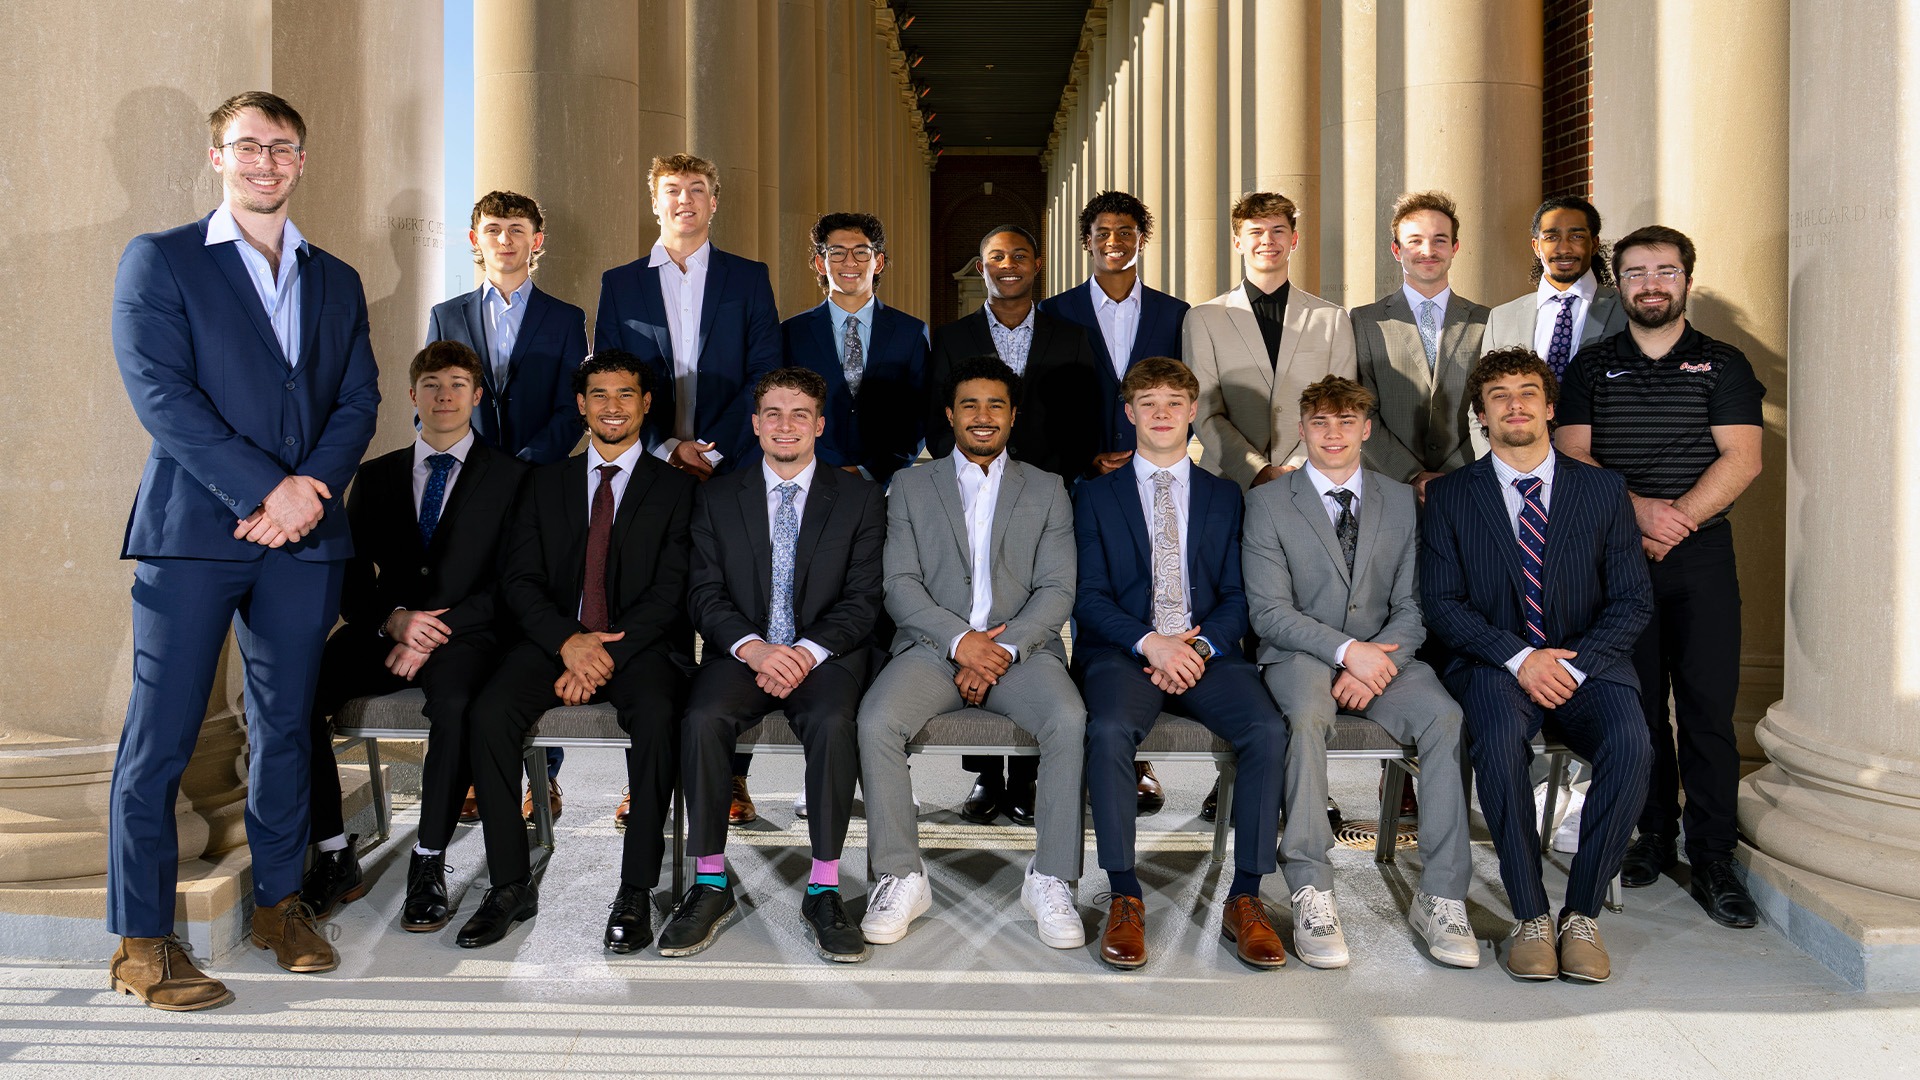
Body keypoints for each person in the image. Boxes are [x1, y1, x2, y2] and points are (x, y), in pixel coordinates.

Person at [108, 90, 379, 1010]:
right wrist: (269, 490)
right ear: (217, 156)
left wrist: (307, 495)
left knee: (284, 728)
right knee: (161, 739)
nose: (266, 161)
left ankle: (278, 905)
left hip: (301, 543)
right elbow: (161, 395)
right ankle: (143, 942)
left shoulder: (335, 277)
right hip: (193, 535)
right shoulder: (163, 260)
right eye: (248, 146)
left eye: (283, 147)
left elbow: (357, 401)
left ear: (302, 161)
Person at [1554, 226, 1766, 929]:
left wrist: (1675, 519)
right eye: (1637, 272)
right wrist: (1638, 512)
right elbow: (1573, 456)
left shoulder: (1724, 363)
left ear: (1687, 281)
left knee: (1707, 713)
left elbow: (1742, 459)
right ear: (1619, 283)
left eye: (1666, 272)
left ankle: (1712, 858)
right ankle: (1650, 837)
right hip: (1616, 559)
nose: (1651, 283)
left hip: (1701, 557)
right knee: (1636, 713)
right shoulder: (1589, 366)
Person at [1420, 348, 1654, 983]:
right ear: (1481, 415)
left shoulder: (1602, 490)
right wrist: (1520, 658)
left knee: (1632, 743)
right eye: (1499, 395)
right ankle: (1529, 913)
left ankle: (1580, 914)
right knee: (1496, 742)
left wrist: (1574, 667)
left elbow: (1633, 599)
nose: (1515, 404)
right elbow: (1441, 605)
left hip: (1587, 664)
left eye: (1528, 392)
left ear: (1550, 408)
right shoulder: (1450, 496)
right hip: (1496, 664)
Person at [456, 351, 697, 953]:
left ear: (646, 404)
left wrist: (603, 654)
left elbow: (676, 588)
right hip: (554, 640)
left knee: (660, 719)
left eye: (626, 394)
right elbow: (519, 580)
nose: (612, 406)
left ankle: (636, 889)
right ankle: (510, 883)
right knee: (488, 714)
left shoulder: (676, 489)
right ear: (581, 405)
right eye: (599, 394)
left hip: (641, 647)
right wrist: (568, 642)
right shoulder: (543, 483)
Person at [1242, 376, 1477, 970]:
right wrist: (1350, 653)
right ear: (1303, 430)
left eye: (1346, 422)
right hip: (1302, 656)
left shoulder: (1400, 500)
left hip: (1388, 655)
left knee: (1445, 719)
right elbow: (1269, 612)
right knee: (1306, 717)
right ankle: (1311, 885)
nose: (1333, 434)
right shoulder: (1269, 502)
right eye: (1320, 423)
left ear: (1366, 429)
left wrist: (1379, 662)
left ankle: (1443, 895)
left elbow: (1413, 606)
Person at [856, 355, 1087, 951]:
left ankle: (1053, 877)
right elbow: (899, 583)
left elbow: (1058, 587)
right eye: (969, 405)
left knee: (1068, 719)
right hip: (933, 647)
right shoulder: (910, 484)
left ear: (1012, 415)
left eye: (995, 405)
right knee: (878, 721)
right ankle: (901, 874)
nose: (982, 417)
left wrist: (1000, 650)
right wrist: (963, 644)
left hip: (1022, 650)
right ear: (949, 415)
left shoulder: (1047, 487)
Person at [299, 342, 527, 936]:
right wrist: (393, 621)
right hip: (386, 628)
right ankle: (331, 851)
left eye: (457, 383)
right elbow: (350, 573)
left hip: (469, 635)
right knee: (294, 698)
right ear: (413, 395)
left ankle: (428, 860)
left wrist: (433, 630)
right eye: (431, 383)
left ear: (478, 396)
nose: (444, 394)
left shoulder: (513, 478)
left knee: (454, 706)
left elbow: (519, 581)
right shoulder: (374, 478)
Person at [660, 367, 886, 963]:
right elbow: (704, 592)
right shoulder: (715, 496)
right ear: (756, 424)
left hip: (826, 654)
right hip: (745, 651)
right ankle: (710, 881)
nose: (786, 426)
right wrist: (756, 649)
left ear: (819, 423)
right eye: (774, 414)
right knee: (704, 716)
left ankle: (824, 886)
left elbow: (864, 599)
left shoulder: (859, 497)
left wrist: (805, 652)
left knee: (835, 723)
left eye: (800, 414)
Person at [1074, 357, 1290, 971]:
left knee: (1267, 729)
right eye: (1149, 403)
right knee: (1111, 730)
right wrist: (1151, 643)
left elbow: (1238, 596)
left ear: (1193, 412)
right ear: (1129, 413)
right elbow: (1087, 596)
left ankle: (1246, 896)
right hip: (1124, 651)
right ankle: (1123, 893)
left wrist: (1194, 648)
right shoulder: (1093, 495)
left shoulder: (1225, 497)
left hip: (1205, 651)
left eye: (1175, 402)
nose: (1162, 413)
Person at [594, 152, 780, 825]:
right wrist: (667, 446)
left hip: (732, 472)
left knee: (740, 616)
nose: (684, 201)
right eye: (672, 190)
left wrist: (715, 448)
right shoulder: (620, 285)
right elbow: (611, 377)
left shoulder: (748, 279)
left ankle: (731, 778)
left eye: (697, 190)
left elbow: (766, 370)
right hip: (652, 473)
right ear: (654, 202)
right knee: (654, 623)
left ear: (713, 201)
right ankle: (647, 777)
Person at [926, 225, 1100, 824]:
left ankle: (1025, 773)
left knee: (1029, 618)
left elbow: (1086, 418)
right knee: (975, 611)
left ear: (1038, 264)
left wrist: (1051, 477)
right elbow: (934, 415)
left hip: (1042, 495)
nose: (1009, 264)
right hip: (973, 485)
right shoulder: (952, 338)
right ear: (980, 267)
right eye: (995, 255)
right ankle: (985, 777)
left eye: (1019, 255)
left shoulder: (1072, 336)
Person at [426, 189, 588, 824]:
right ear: (475, 240)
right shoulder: (447, 314)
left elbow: (568, 405)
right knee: (469, 618)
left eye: (517, 229)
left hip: (538, 481)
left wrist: (522, 465)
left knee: (536, 621)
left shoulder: (565, 316)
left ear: (536, 242)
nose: (505, 240)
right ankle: (470, 769)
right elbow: (436, 396)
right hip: (468, 484)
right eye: (493, 229)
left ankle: (541, 777)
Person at [1186, 191, 1357, 492]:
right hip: (1228, 482)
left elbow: (1341, 407)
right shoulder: (1203, 318)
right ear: (1238, 242)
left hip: (1312, 479)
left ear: (1294, 240)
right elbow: (1205, 411)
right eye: (1256, 232)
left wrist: (1295, 467)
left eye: (1278, 231)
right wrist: (1258, 470)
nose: (1268, 240)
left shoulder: (1332, 319)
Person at [1353, 190, 1490, 501]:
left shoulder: (1487, 320)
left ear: (1455, 248)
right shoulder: (1365, 321)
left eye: (1440, 239)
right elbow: (1362, 410)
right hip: (1387, 487)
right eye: (1414, 240)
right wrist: (1411, 475)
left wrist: (1455, 473)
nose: (1428, 250)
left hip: (1467, 484)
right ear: (1396, 249)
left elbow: (1490, 408)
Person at [782, 211, 931, 486]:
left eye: (861, 252)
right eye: (837, 252)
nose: (849, 261)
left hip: (882, 484)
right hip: (808, 478)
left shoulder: (911, 333)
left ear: (878, 262)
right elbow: (781, 407)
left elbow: (920, 415)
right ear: (820, 263)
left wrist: (873, 471)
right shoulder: (791, 333)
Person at [1480, 196, 1627, 379]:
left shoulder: (1627, 310)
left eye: (1576, 236)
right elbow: (1482, 400)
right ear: (1536, 246)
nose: (1563, 248)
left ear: (1594, 244)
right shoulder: (1500, 319)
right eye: (1551, 237)